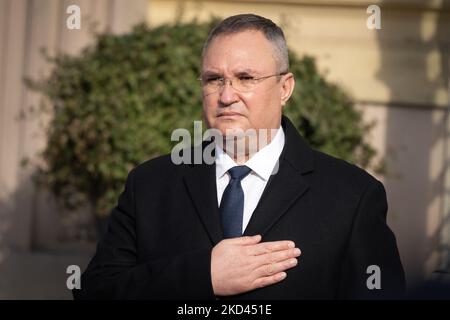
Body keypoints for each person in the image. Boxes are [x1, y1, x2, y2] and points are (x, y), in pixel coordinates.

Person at [73, 13, 405, 300]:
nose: (227, 95)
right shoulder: (149, 185)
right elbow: (96, 292)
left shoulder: (352, 196)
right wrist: (203, 275)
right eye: (214, 79)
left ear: (285, 88)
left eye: (246, 78)